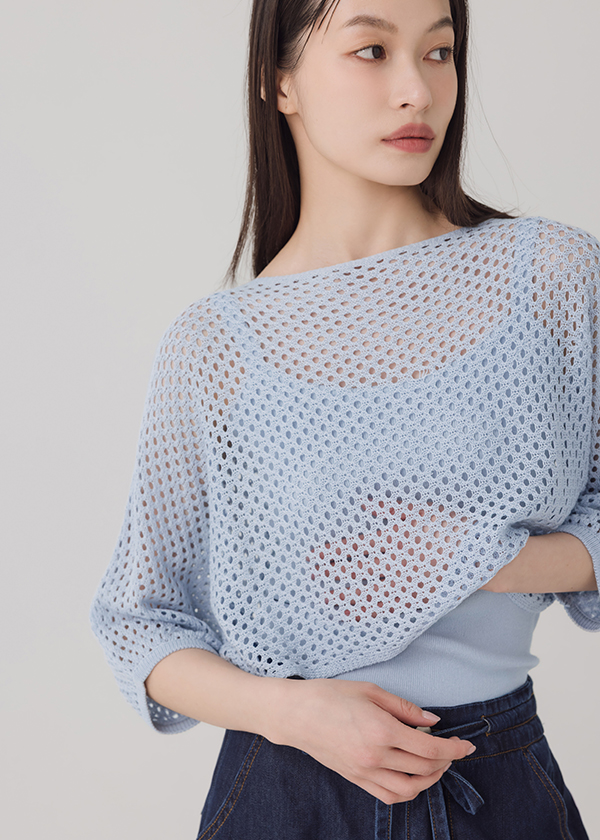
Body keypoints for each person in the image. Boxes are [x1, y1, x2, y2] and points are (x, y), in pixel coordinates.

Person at [90, 0, 600, 837]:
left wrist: (483, 561)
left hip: (495, 778)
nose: (418, 91)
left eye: (439, 53)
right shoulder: (216, 346)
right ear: (279, 80)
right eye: (371, 51)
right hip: (284, 785)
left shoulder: (549, 275)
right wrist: (290, 715)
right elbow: (140, 623)